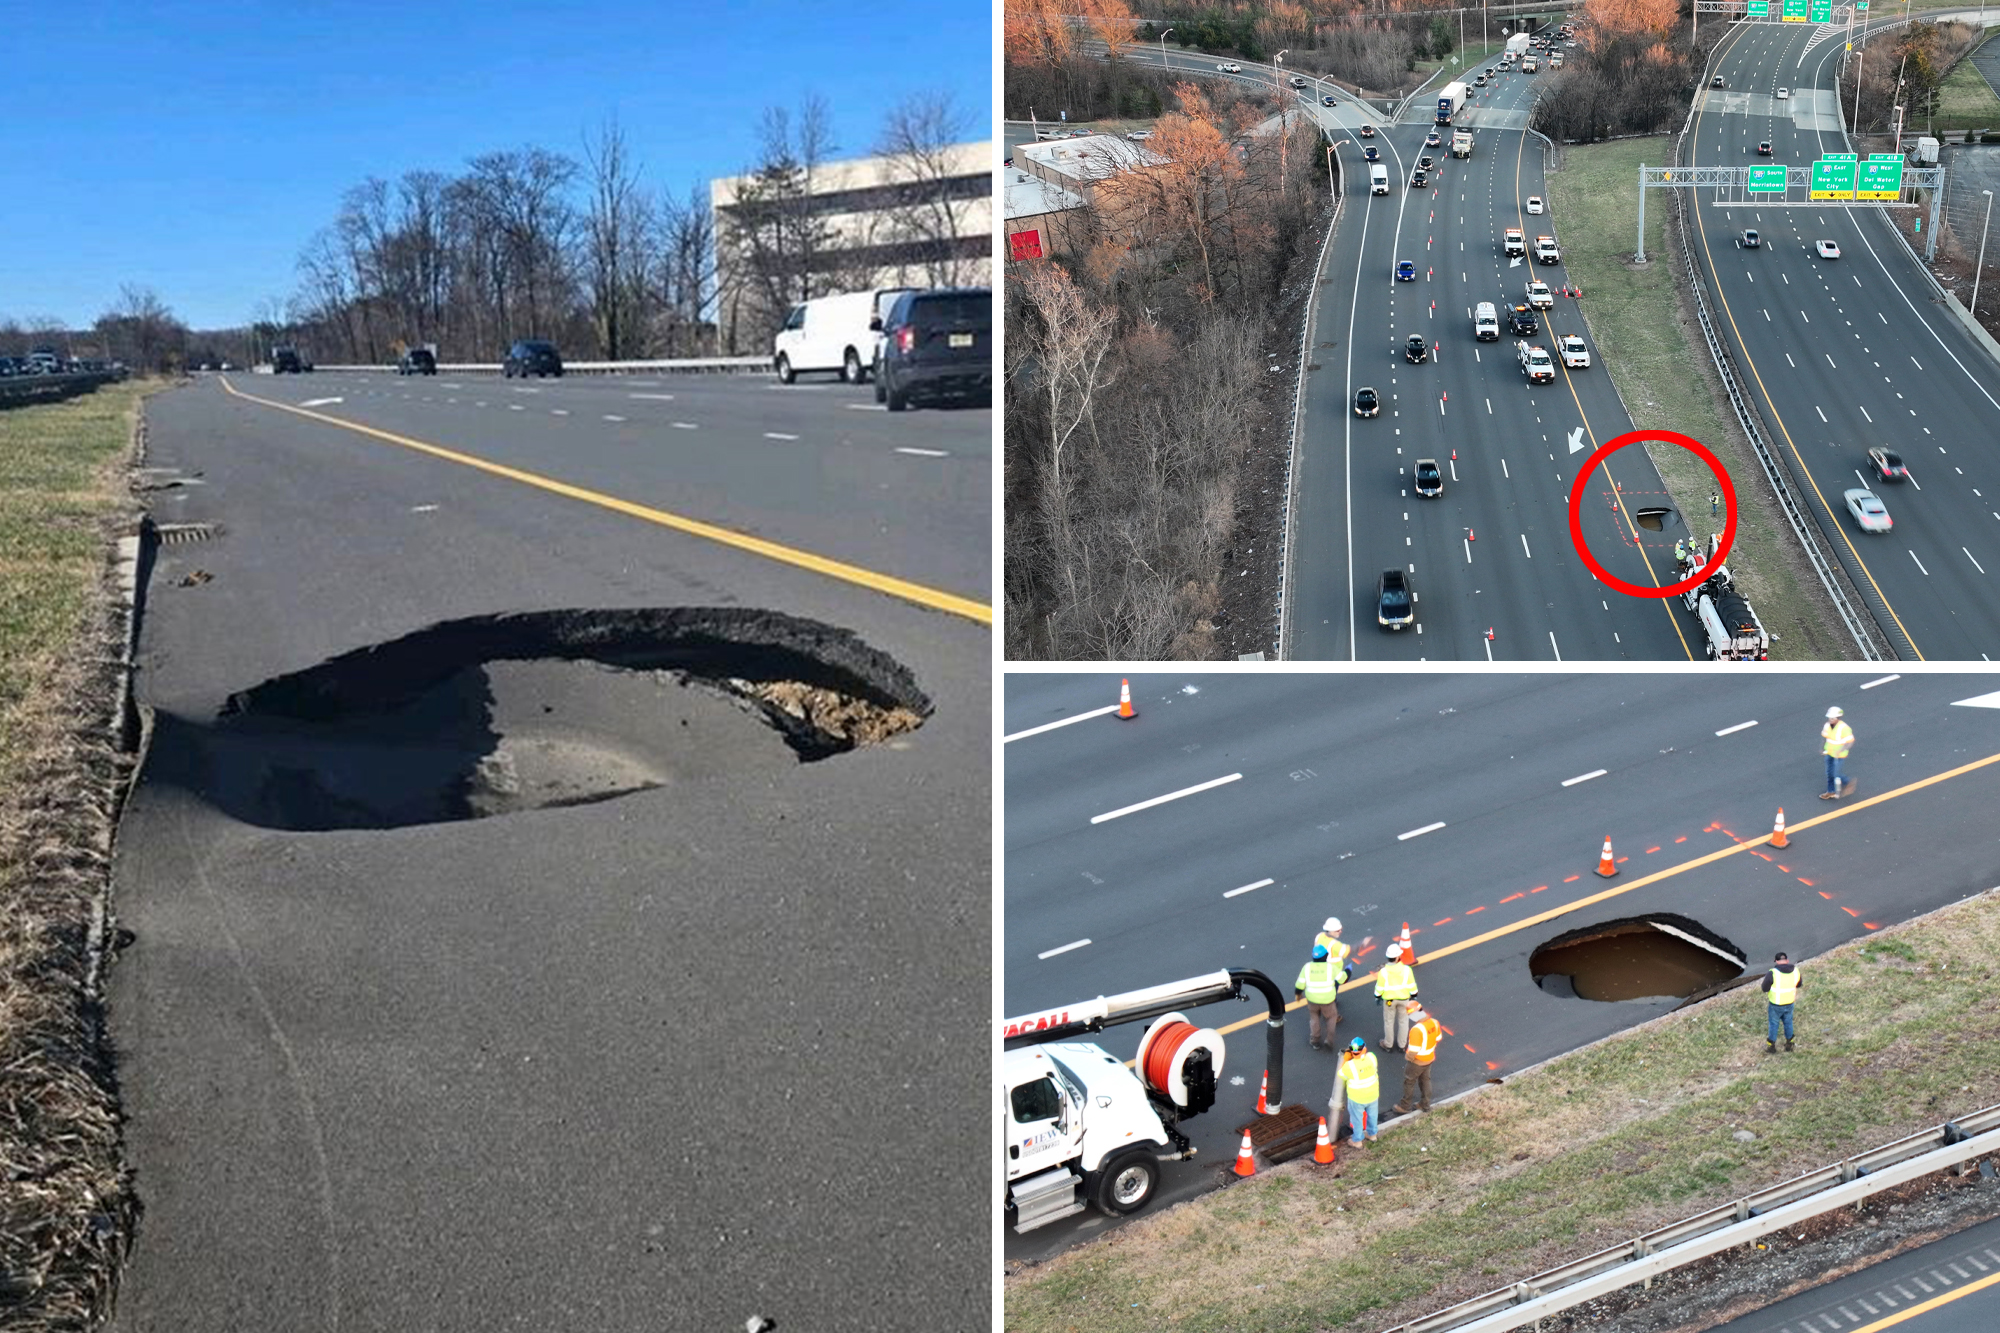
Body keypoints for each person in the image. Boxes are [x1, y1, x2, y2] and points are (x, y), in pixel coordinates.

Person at [1391, 1001, 1441, 1114]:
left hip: (1417, 1062)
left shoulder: (1416, 1030)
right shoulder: (1435, 1022)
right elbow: (1438, 1038)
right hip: (1429, 1058)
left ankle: (1405, 1106)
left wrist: (1408, 1057)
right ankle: (1425, 1104)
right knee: (1425, 1081)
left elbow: (1413, 1051)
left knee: (1409, 1082)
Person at [1295, 945, 1344, 1050]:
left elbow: (1299, 984)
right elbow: (1342, 979)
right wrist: (1348, 971)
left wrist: (1298, 994)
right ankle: (1329, 1040)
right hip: (1328, 1000)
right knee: (1331, 1018)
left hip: (1312, 1000)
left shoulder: (1307, 967)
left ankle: (1315, 1041)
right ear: (1326, 956)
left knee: (1314, 1018)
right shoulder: (1331, 967)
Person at [1333, 1036, 1380, 1146]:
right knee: (1372, 1115)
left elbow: (1340, 1074)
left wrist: (1345, 1059)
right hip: (1373, 1094)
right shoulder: (1372, 1057)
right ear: (1364, 1049)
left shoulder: (1349, 1066)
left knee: (1357, 1119)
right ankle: (1372, 1135)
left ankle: (1357, 1140)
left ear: (1351, 1051)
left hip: (1357, 1098)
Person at [1375, 943, 1419, 1050]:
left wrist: (1377, 997)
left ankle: (1388, 1044)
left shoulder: (1383, 972)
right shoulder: (1407, 970)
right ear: (1398, 956)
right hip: (1404, 999)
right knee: (1403, 1021)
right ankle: (1402, 1045)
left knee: (1389, 1022)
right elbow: (1412, 985)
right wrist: (1414, 995)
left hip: (1389, 1000)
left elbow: (1379, 988)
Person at [1762, 951, 1801, 1051]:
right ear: (1787, 960)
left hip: (1776, 1004)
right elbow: (1799, 984)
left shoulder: (1773, 972)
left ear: (1776, 961)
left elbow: (1764, 988)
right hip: (1789, 1002)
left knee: (1774, 1024)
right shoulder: (1795, 970)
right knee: (1788, 1023)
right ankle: (1789, 1044)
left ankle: (1771, 1046)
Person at [1821, 706, 1855, 801]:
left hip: (1839, 755)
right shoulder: (1827, 725)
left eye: (1832, 718)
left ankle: (1848, 782)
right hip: (1829, 753)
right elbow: (1826, 738)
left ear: (1837, 718)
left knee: (1836, 773)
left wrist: (1841, 750)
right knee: (1829, 773)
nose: (1830, 720)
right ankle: (1830, 791)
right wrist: (1824, 749)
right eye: (1829, 718)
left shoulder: (1844, 728)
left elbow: (1850, 742)